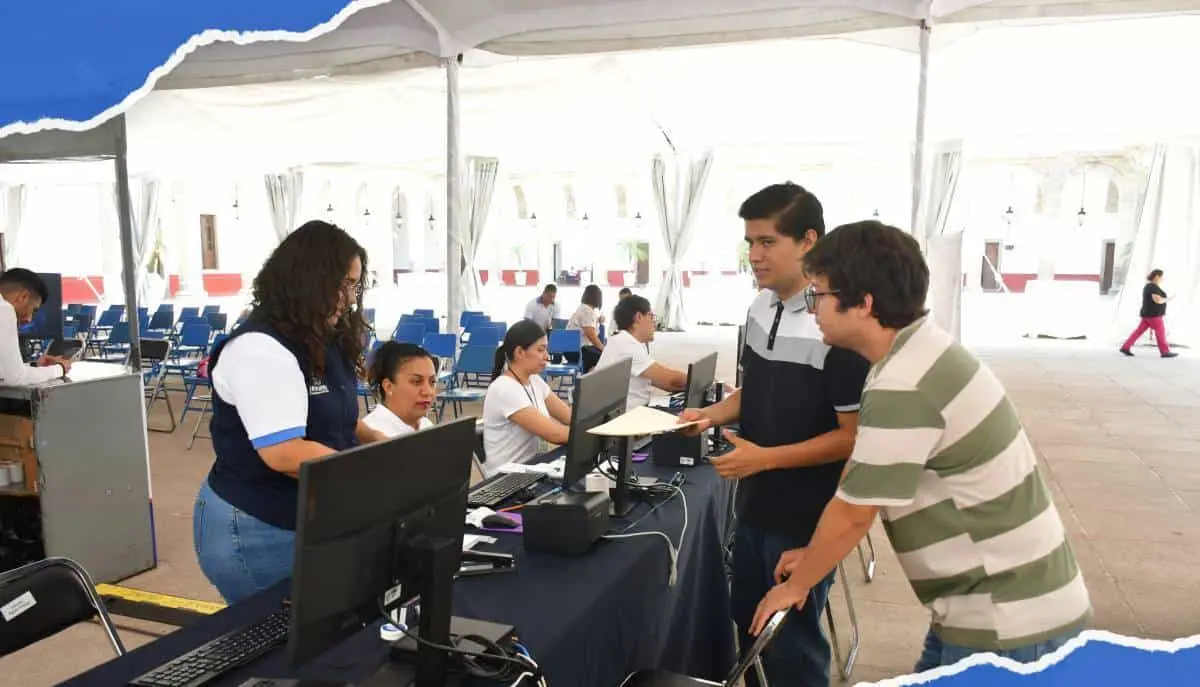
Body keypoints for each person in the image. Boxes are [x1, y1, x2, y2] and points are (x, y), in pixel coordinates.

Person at [750, 220, 1091, 675]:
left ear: (864, 303)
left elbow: (855, 512)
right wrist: (814, 553)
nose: (812, 309)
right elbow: (864, 482)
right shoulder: (918, 353)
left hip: (1007, 622)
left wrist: (798, 585)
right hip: (992, 608)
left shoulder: (904, 382)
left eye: (820, 295)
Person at [677, 183, 870, 687]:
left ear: (808, 241)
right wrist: (711, 414)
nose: (755, 255)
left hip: (807, 514)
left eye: (767, 242)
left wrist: (766, 459)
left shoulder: (836, 323)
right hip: (755, 503)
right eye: (750, 243)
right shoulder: (760, 308)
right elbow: (755, 389)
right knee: (751, 623)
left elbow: (852, 437)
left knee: (791, 644)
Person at [193, 220, 388, 604]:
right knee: (279, 643)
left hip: (312, 512)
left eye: (355, 286)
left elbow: (336, 418)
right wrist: (374, 475)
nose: (350, 298)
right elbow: (284, 454)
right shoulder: (259, 349)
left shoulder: (321, 336)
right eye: (344, 285)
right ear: (309, 280)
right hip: (257, 525)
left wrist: (383, 442)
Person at [482, 320, 572, 474]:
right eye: (540, 350)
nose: (546, 356)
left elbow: (569, 417)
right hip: (506, 479)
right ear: (519, 353)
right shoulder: (505, 388)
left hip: (531, 467)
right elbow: (554, 434)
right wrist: (594, 434)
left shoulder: (534, 381)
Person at [596, 294, 686, 410]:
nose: (655, 323)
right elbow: (671, 379)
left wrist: (686, 385)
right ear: (639, 317)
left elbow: (665, 382)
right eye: (651, 316)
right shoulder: (627, 345)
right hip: (625, 417)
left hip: (628, 410)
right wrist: (701, 380)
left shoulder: (627, 341)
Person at [0, 268, 71, 384]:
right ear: (23, 297)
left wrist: (34, 366)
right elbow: (16, 378)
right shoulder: (4, 309)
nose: (29, 319)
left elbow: (4, 373)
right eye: (33, 310)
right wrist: (60, 368)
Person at [363, 341, 437, 437]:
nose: (428, 392)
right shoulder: (371, 435)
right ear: (388, 387)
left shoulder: (426, 425)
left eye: (432, 382)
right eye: (416, 381)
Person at [1120, 269, 1177, 358]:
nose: (1162, 279)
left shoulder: (1149, 286)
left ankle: (1125, 347)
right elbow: (1157, 300)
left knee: (1138, 332)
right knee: (1160, 333)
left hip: (1147, 315)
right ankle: (1165, 352)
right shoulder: (1152, 287)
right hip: (1154, 316)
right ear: (1157, 277)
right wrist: (1168, 299)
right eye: (1161, 277)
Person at [564, 284, 605, 373]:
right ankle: (589, 381)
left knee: (601, 356)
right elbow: (591, 335)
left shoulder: (582, 308)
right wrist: (603, 348)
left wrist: (597, 321)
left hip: (570, 350)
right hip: (579, 351)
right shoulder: (587, 311)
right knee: (607, 358)